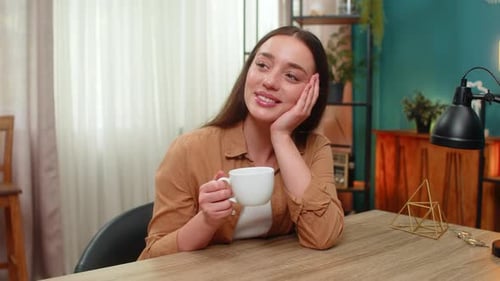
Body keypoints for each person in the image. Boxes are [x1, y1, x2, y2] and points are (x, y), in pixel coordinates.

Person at [138, 25, 344, 259]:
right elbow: (153, 257)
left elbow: (323, 236)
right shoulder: (188, 149)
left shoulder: (315, 149)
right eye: (262, 65)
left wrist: (282, 137)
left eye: (291, 76)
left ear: (312, 92)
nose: (270, 81)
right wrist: (207, 220)